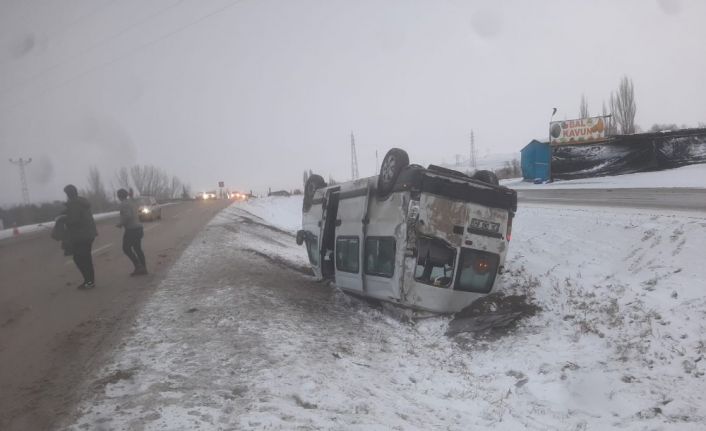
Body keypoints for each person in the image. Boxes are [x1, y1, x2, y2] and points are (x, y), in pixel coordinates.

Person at [63, 184, 97, 289]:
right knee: (86, 258)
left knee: (79, 258)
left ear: (69, 194)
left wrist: (64, 219)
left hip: (81, 235)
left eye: (67, 193)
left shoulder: (74, 203)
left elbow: (74, 220)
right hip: (89, 233)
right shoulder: (82, 201)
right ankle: (90, 281)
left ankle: (89, 281)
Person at [116, 189, 147, 275]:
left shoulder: (124, 204)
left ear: (119, 196)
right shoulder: (131, 202)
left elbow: (128, 216)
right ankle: (143, 268)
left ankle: (138, 266)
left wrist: (120, 224)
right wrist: (131, 195)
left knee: (126, 248)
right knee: (137, 249)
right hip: (139, 228)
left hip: (131, 230)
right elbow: (135, 201)